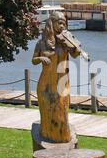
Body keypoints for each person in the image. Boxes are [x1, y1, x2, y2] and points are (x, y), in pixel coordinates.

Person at [32, 11, 82, 143]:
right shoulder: (42, 43)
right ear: (51, 24)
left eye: (64, 23)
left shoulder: (65, 42)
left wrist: (75, 46)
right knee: (47, 114)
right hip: (46, 84)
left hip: (62, 83)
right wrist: (41, 58)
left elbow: (76, 53)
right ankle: (47, 135)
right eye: (59, 23)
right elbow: (34, 60)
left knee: (61, 114)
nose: (62, 26)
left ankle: (62, 140)